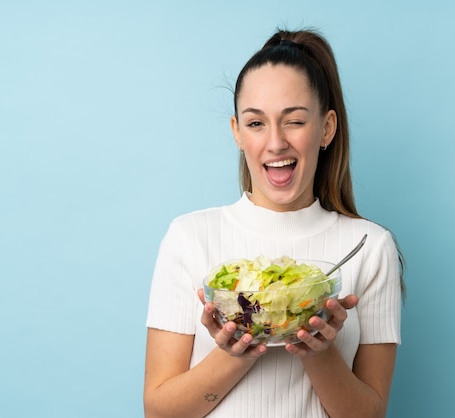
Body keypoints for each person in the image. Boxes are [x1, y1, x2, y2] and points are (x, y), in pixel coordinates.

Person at [144, 28, 403, 418]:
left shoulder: (370, 246)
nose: (276, 142)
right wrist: (235, 354)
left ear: (327, 128)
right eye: (256, 123)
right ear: (237, 132)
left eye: (294, 121)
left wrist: (318, 350)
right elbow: (159, 412)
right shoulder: (189, 237)